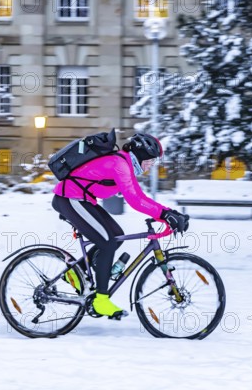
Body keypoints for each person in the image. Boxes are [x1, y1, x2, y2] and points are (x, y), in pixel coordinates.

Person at [51, 133, 189, 319]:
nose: (150, 166)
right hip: (70, 199)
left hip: (82, 200)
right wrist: (165, 214)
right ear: (139, 154)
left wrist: (169, 213)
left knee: (115, 235)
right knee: (107, 242)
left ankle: (77, 274)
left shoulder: (124, 165)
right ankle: (100, 301)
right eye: (149, 161)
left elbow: (140, 197)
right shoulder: (120, 165)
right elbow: (135, 200)